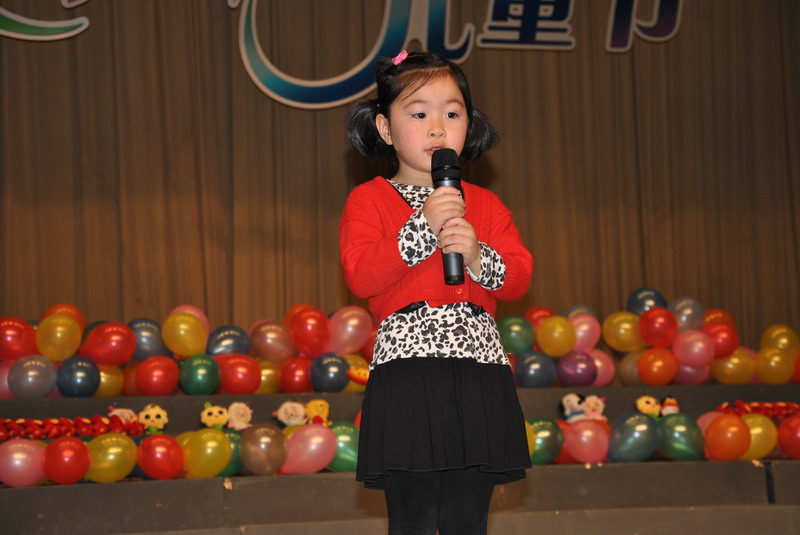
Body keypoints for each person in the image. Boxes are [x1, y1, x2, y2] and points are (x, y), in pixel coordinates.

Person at [340, 50, 533, 535]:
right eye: (419, 113)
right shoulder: (369, 200)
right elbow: (362, 275)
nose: (437, 128)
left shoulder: (486, 205)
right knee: (414, 519)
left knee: (468, 519)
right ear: (385, 128)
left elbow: (518, 278)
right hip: (408, 374)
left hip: (478, 373)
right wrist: (421, 226)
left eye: (451, 113)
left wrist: (477, 256)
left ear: (469, 124)